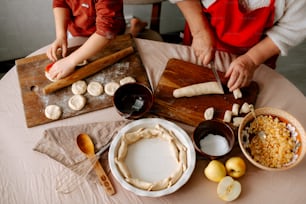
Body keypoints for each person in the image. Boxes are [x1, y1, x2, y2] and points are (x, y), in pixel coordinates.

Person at [170, 0, 306, 91]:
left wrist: (251, 60)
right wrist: (199, 31)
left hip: (256, 52)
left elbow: (292, 29)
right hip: (203, 35)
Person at [46, 0, 147, 81]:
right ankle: (135, 26)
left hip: (107, 36)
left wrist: (70, 61)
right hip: (77, 32)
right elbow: (60, 3)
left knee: (124, 48)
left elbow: (107, 30)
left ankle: (135, 29)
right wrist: (61, 35)